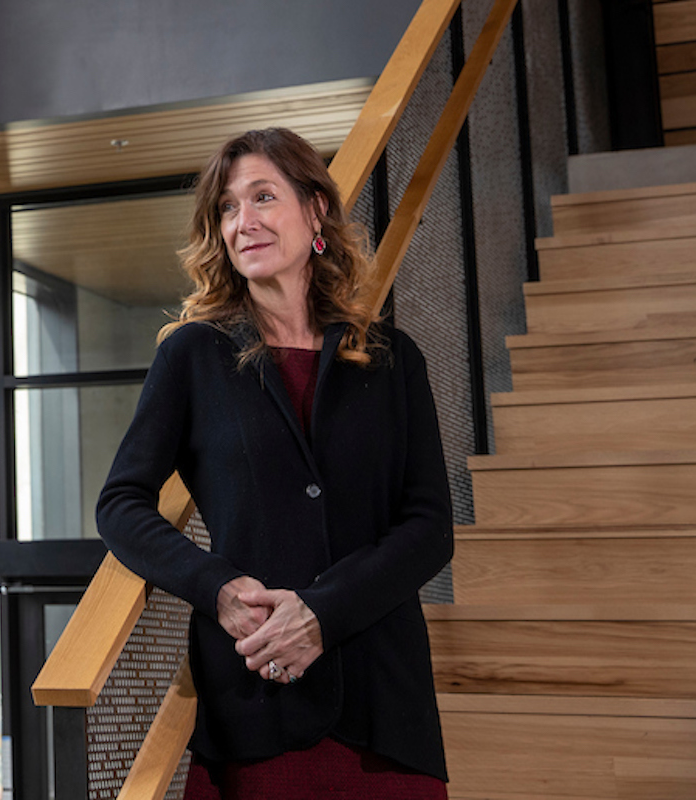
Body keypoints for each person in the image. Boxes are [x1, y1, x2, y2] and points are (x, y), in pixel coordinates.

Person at [96, 128, 454, 799]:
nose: (243, 222)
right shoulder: (191, 356)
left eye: (263, 197)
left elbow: (430, 525)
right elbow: (120, 504)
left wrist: (324, 611)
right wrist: (218, 588)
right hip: (257, 703)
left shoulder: (392, 358)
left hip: (384, 704)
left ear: (316, 209)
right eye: (227, 208)